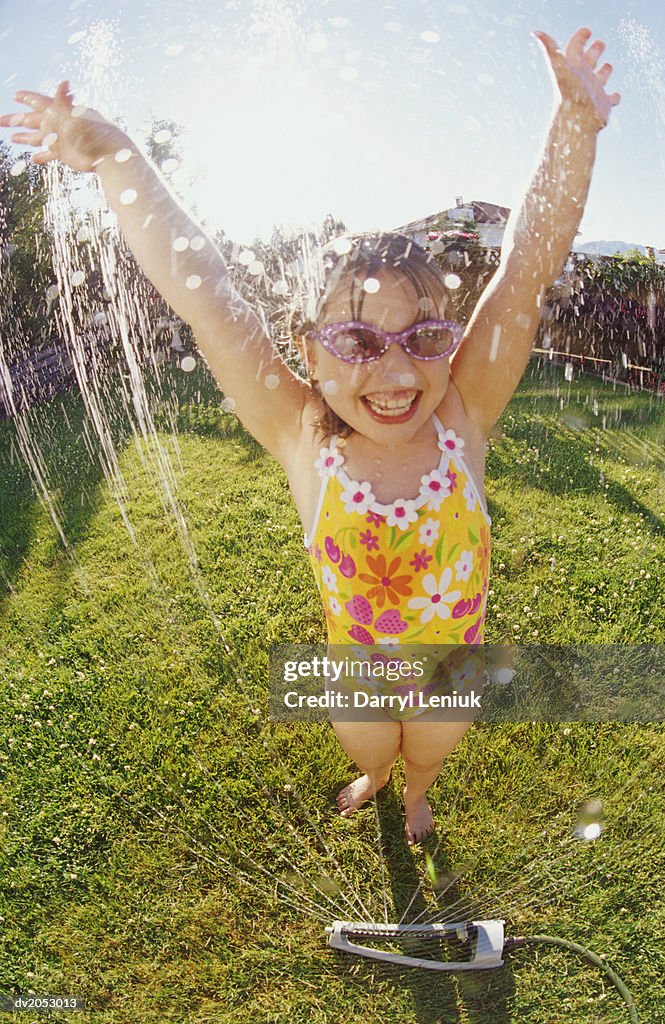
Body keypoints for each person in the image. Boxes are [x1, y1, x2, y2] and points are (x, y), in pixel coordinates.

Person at [1, 27, 620, 845]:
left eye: (425, 339)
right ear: (311, 355)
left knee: (431, 748)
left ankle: (415, 796)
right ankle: (373, 775)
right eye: (359, 343)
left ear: (449, 341)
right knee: (368, 741)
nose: (396, 375)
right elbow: (208, 294)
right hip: (356, 673)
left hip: (449, 668)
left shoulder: (461, 417)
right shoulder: (302, 435)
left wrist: (573, 128)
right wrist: (116, 155)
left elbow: (527, 265)